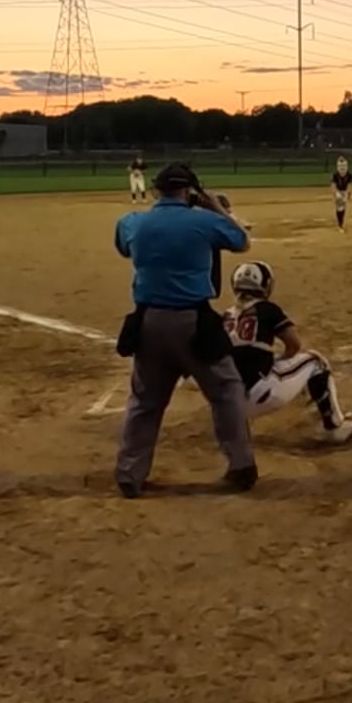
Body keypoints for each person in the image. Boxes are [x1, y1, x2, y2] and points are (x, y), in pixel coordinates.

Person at [112, 162, 255, 498]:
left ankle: (130, 473)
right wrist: (214, 207)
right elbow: (241, 241)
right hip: (194, 324)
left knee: (145, 402)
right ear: (189, 191)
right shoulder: (204, 222)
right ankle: (240, 465)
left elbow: (123, 244)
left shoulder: (134, 222)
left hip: (148, 323)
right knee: (226, 391)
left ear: (156, 190)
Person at [223, 261, 352, 443]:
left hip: (227, 402)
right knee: (316, 362)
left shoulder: (225, 316)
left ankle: (236, 429)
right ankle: (334, 426)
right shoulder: (268, 309)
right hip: (260, 394)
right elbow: (294, 345)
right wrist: (278, 360)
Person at [330, 156, 352, 231]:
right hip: (338, 191)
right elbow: (333, 186)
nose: (342, 167)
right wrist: (337, 194)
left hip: (345, 191)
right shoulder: (335, 175)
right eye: (340, 166)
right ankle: (340, 224)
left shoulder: (349, 175)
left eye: (344, 165)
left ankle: (340, 223)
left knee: (343, 206)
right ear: (338, 167)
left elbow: (349, 186)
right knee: (340, 207)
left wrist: (347, 194)